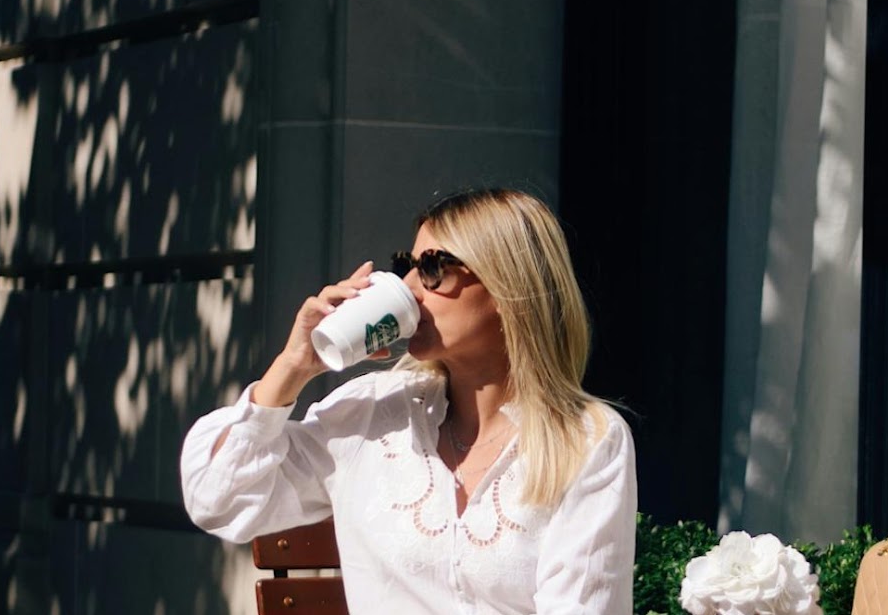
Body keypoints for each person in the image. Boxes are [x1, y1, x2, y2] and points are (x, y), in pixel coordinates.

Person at [180, 188, 638, 613]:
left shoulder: (585, 440)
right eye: (408, 266)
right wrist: (292, 368)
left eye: (433, 268)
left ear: (507, 288)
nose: (411, 289)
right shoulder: (373, 415)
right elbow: (217, 499)